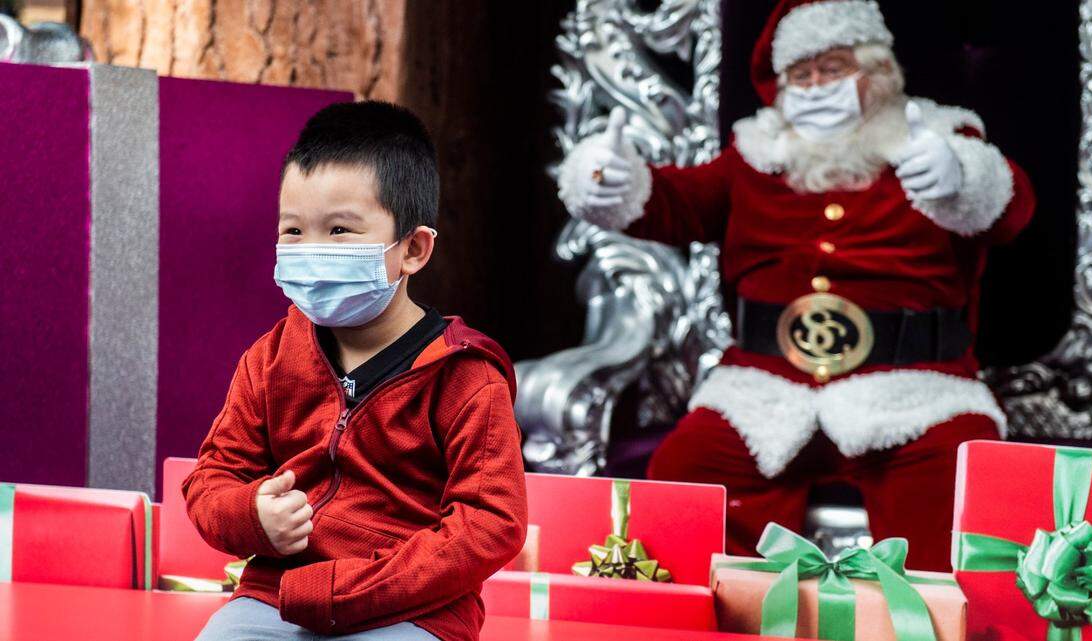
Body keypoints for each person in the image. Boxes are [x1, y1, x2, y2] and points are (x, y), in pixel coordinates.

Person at [556, 0, 1035, 570]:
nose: (815, 89)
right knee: (684, 475)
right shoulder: (755, 157)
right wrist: (612, 183)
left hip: (914, 393)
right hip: (765, 390)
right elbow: (675, 203)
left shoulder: (937, 140)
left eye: (832, 69)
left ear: (878, 70)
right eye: (799, 76)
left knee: (957, 496)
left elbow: (1012, 212)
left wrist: (961, 179)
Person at [183, 101, 527, 641]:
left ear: (413, 248)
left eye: (340, 229)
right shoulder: (270, 359)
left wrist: (341, 591)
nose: (311, 251)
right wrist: (251, 515)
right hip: (275, 599)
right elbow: (212, 477)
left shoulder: (467, 377)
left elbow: (491, 523)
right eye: (293, 230)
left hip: (414, 610)